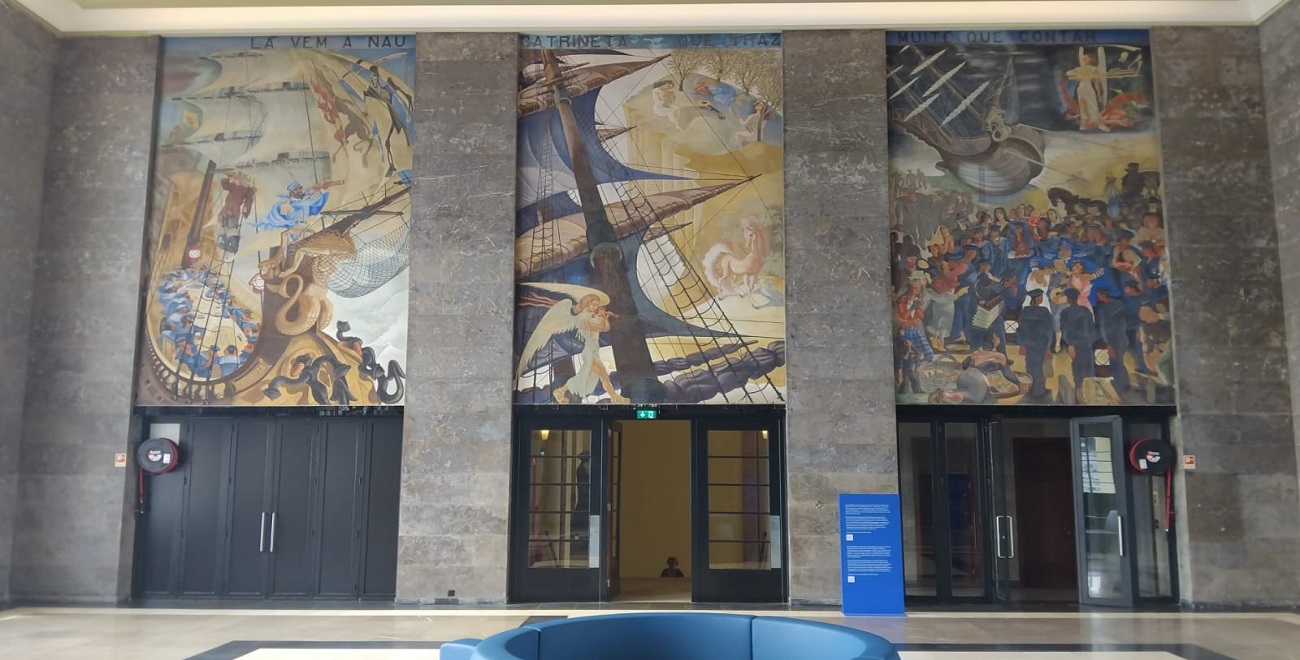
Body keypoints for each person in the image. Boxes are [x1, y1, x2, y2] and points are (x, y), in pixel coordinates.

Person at [1059, 288, 1098, 402]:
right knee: (1089, 369)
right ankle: (1090, 396)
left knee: (1078, 372)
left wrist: (1070, 344)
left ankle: (1080, 398)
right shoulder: (1085, 310)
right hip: (1087, 343)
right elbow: (1092, 327)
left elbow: (1066, 330)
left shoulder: (1065, 312)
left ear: (1068, 299)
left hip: (1075, 344)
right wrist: (1091, 340)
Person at [1018, 289, 1055, 400]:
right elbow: (1049, 331)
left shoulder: (1025, 311)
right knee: (1041, 368)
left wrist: (1021, 344)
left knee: (1030, 367)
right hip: (1041, 345)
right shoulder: (1045, 312)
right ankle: (1039, 391)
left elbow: (1021, 329)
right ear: (1039, 299)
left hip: (1028, 344)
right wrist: (1048, 346)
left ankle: (1031, 391)